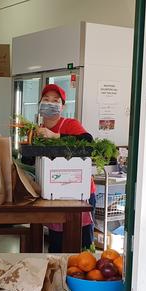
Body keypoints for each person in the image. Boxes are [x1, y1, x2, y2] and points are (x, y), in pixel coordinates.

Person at [36, 84, 96, 252]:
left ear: (63, 106)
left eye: (56, 101)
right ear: (40, 104)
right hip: (52, 194)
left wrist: (54, 136)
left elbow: (88, 141)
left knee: (82, 246)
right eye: (46, 100)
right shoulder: (37, 130)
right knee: (57, 244)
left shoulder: (70, 124)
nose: (50, 103)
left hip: (79, 193)